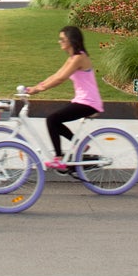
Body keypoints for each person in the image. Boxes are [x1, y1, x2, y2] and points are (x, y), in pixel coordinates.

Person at [25, 25, 104, 172]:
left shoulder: (79, 58)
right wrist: (35, 87)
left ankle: (59, 158)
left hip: (89, 102)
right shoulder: (72, 58)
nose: (59, 41)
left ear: (71, 40)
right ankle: (79, 145)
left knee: (52, 119)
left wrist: (38, 89)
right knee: (54, 120)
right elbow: (56, 75)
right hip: (82, 100)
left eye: (62, 39)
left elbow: (60, 79)